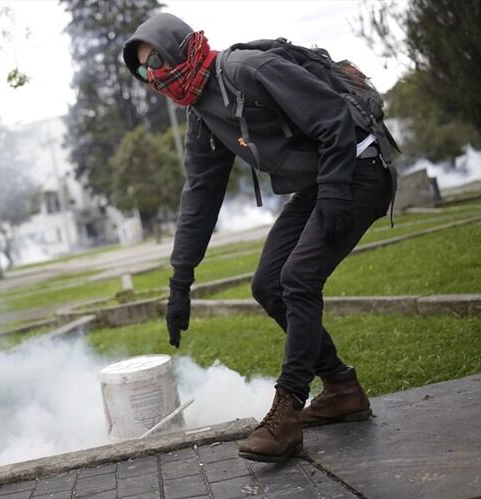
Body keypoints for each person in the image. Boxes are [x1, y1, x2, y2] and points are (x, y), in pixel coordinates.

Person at [122, 13, 396, 463]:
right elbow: (200, 197)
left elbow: (332, 118)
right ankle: (342, 387)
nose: (153, 78)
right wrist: (180, 282)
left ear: (178, 49)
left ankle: (287, 412)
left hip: (357, 169)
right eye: (143, 73)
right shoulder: (201, 113)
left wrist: (332, 194)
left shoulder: (247, 70)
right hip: (320, 183)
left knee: (299, 279)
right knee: (267, 285)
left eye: (155, 63)